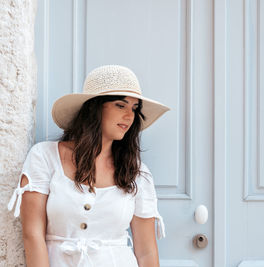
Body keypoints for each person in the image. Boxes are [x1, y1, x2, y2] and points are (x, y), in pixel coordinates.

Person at [7, 65, 170, 267]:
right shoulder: (45, 157)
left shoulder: (137, 173)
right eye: (121, 105)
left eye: (134, 109)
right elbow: (32, 235)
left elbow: (146, 252)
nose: (129, 116)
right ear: (94, 108)